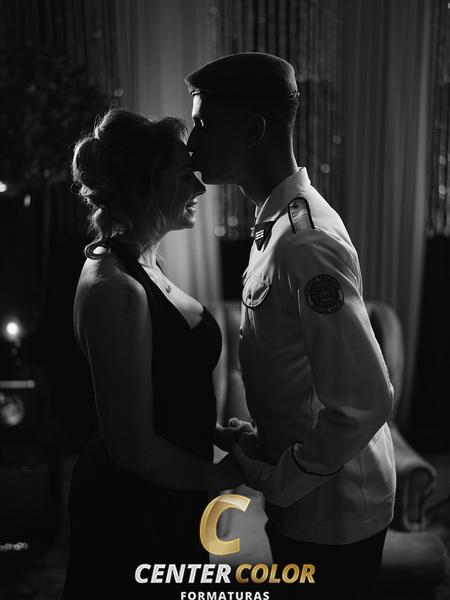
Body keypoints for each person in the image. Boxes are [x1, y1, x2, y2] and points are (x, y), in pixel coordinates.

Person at [185, 52, 396, 599]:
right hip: (307, 498)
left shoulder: (304, 240)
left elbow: (366, 399)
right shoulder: (276, 225)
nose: (191, 142)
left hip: (332, 510)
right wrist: (266, 444)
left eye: (204, 124)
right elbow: (299, 368)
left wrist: (281, 479)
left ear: (253, 130)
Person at [61, 108, 243, 599]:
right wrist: (219, 475)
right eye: (184, 176)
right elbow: (132, 447)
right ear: (144, 186)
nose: (200, 188)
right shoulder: (114, 288)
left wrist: (213, 432)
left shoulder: (143, 263)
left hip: (165, 489)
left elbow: (160, 387)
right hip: (134, 506)